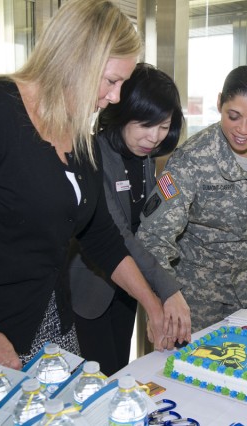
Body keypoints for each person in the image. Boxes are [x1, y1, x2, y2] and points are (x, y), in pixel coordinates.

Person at [0, 0, 183, 393]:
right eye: (111, 81)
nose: (115, 98)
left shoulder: (80, 136)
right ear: (74, 60)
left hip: (50, 325)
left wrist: (151, 302)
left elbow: (101, 237)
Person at [137, 65, 247, 331]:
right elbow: (154, 236)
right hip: (198, 290)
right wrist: (164, 295)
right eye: (234, 116)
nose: (243, 129)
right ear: (219, 103)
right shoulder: (192, 158)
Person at [67, 63, 190, 375]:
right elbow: (118, 233)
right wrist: (167, 289)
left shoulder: (145, 158)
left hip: (126, 289)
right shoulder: (92, 154)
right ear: (122, 113)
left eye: (163, 127)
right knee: (96, 378)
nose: (153, 137)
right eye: (145, 125)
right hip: (89, 292)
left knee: (120, 369)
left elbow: (146, 222)